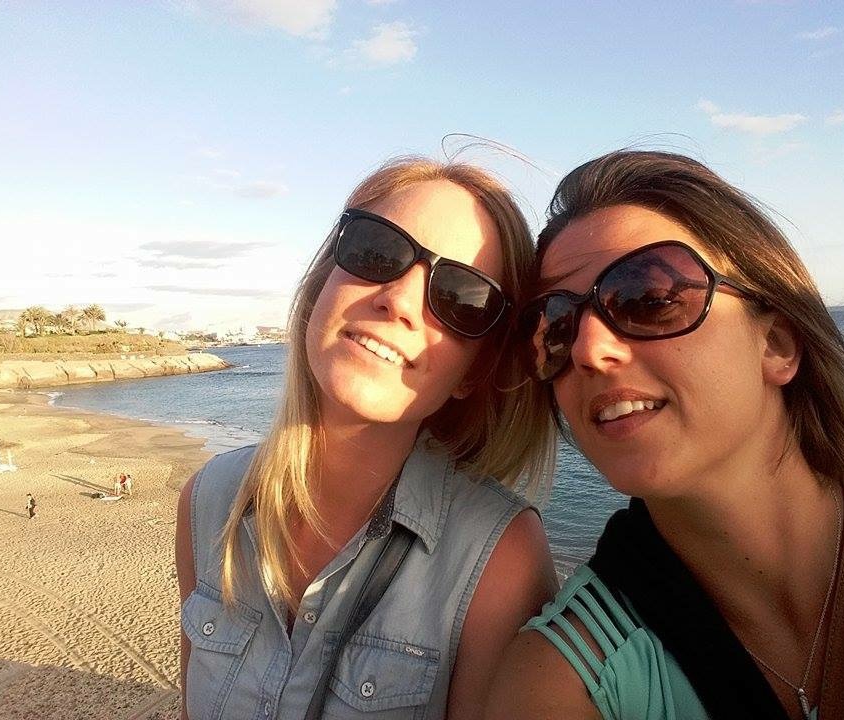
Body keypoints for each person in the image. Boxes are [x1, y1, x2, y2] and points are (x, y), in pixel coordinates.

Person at [487, 150, 844, 720]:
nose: (590, 351)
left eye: (650, 297)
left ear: (777, 344)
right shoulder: (562, 683)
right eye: (556, 324)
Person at [175, 157, 558, 720]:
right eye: (378, 252)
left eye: (462, 297)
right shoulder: (208, 500)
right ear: (321, 285)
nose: (398, 300)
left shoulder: (500, 561)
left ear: (474, 371)